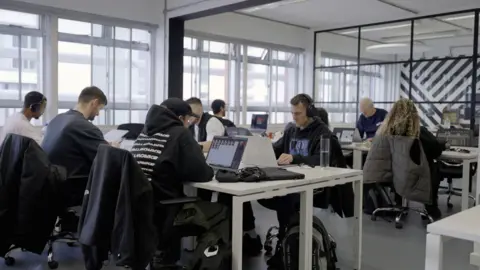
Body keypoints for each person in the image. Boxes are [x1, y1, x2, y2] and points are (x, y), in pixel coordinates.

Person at [260, 94, 352, 267]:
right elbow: (276, 149)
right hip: (290, 181)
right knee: (276, 197)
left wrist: (294, 158)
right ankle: (287, 240)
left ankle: (285, 244)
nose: (294, 117)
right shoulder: (291, 130)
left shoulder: (322, 133)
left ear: (309, 111)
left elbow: (319, 160)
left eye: (298, 113)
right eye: (292, 113)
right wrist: (262, 147)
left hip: (313, 185)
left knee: (285, 199)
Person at [130, 98, 217, 268]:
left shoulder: (144, 132)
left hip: (140, 208)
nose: (189, 123)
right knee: (222, 212)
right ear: (180, 117)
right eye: (187, 119)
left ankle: (162, 256)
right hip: (164, 209)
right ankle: (208, 263)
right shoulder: (179, 133)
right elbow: (204, 174)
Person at [186, 97, 263, 256]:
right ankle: (208, 240)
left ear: (199, 110)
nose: (189, 117)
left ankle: (226, 239)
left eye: (191, 113)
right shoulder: (192, 125)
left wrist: (192, 147)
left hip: (223, 165)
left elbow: (212, 143)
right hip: (209, 165)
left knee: (222, 197)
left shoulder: (211, 122)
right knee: (204, 195)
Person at [363, 99, 445, 220]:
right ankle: (431, 208)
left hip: (387, 177)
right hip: (412, 177)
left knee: (399, 167)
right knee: (433, 166)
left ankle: (398, 202)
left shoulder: (383, 132)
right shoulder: (419, 132)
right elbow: (436, 150)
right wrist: (443, 145)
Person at [42, 86, 111, 219]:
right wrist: (112, 148)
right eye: (99, 109)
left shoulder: (57, 119)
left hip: (50, 184)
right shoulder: (84, 126)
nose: (97, 114)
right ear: (94, 103)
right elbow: (107, 160)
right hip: (71, 188)